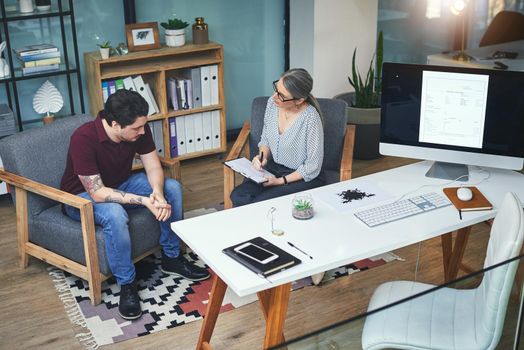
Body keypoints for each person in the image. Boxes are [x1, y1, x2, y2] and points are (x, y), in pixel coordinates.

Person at [60, 89, 210, 320]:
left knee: (172, 188)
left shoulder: (138, 127)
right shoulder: (84, 138)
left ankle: (172, 257)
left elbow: (152, 166)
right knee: (114, 214)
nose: (142, 132)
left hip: (120, 184)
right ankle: (127, 283)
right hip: (80, 198)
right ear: (115, 124)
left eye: (143, 126)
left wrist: (157, 194)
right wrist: (144, 201)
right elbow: (98, 193)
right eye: (136, 129)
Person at [230, 68, 325, 206]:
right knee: (238, 196)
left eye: (281, 95)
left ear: (299, 100)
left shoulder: (311, 119)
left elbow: (313, 166)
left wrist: (280, 181)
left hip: (301, 176)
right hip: (274, 168)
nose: (274, 96)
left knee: (260, 203)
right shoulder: (272, 104)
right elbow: (266, 139)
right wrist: (262, 158)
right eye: (276, 89)